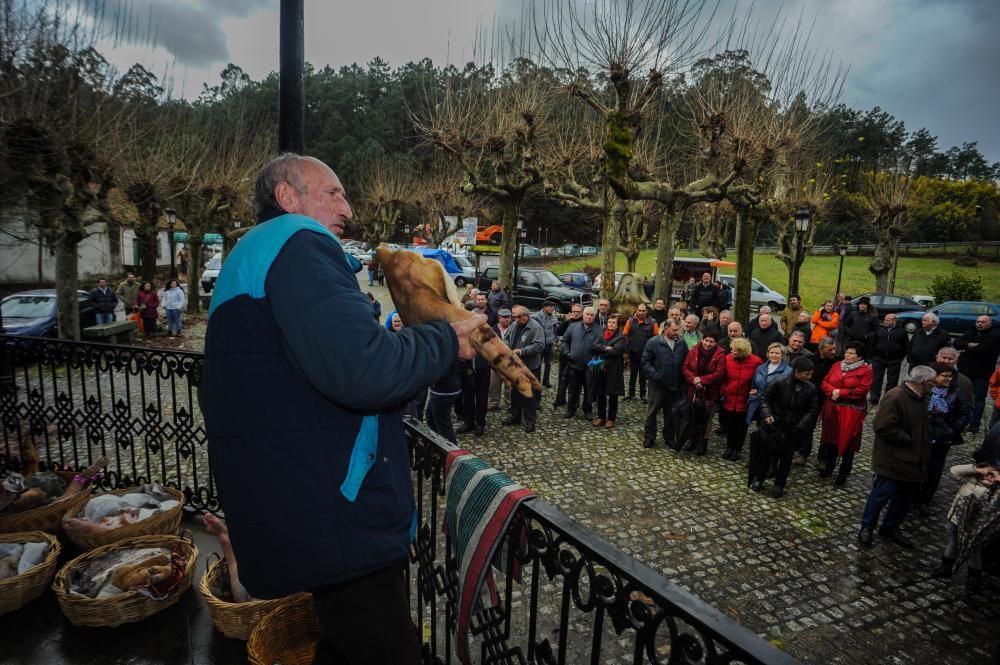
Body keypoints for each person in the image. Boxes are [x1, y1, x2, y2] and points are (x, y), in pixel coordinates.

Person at [201, 154, 483, 665]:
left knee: (343, 642)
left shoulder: (258, 252)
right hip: (334, 508)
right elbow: (361, 373)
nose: (347, 209)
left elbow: (318, 360)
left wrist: (397, 342)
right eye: (332, 193)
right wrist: (444, 340)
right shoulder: (296, 241)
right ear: (288, 197)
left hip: (301, 492)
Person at [858, 366, 936, 548]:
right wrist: (909, 439)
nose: (935, 386)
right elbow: (882, 427)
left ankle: (890, 528)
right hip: (892, 460)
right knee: (880, 496)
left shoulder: (922, 398)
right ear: (924, 383)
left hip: (913, 461)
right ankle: (867, 528)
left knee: (904, 499)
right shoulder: (895, 397)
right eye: (932, 383)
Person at [755, 357, 819, 498]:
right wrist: (767, 414)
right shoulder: (780, 381)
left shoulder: (811, 388)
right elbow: (765, 399)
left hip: (793, 429)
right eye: (806, 374)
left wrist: (800, 426)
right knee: (765, 455)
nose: (810, 377)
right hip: (774, 426)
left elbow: (812, 410)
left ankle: (779, 485)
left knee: (786, 459)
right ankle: (759, 479)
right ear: (797, 372)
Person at [930, 462, 999, 592]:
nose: (989, 477)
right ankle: (945, 568)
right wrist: (976, 469)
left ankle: (974, 579)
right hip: (956, 521)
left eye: (992, 475)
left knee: (973, 552)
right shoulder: (970, 480)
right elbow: (954, 470)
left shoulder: (996, 491)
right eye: (987, 474)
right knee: (953, 543)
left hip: (976, 529)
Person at [913, 363, 971, 514]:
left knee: (934, 470)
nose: (948, 379)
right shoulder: (925, 390)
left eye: (950, 376)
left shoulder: (956, 391)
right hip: (922, 435)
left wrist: (953, 430)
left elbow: (964, 412)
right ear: (934, 376)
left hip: (942, 438)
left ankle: (924, 500)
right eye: (944, 376)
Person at [818, 342, 874, 486]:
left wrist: (840, 392)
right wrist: (832, 391)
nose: (847, 355)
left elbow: (862, 390)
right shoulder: (837, 365)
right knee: (830, 439)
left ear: (859, 356)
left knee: (848, 440)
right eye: (847, 352)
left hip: (850, 410)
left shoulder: (866, 370)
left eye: (851, 353)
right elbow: (825, 382)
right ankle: (828, 466)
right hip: (832, 408)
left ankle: (844, 471)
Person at [641, 319, 688, 449]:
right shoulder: (653, 342)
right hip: (657, 386)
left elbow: (685, 362)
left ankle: (668, 437)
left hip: (674, 386)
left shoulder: (681, 343)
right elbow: (645, 362)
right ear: (665, 328)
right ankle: (649, 437)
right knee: (652, 413)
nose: (677, 332)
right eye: (674, 330)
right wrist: (656, 377)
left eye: (678, 330)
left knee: (670, 414)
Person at [794, 336, 839, 466]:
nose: (833, 352)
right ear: (820, 349)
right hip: (812, 400)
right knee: (807, 427)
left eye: (834, 349)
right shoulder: (810, 361)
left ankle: (823, 457)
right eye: (830, 349)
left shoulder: (837, 363)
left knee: (828, 429)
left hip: (830, 400)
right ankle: (803, 453)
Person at [681, 332, 726, 454]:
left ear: (716, 343)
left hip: (710, 392)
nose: (708, 344)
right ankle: (692, 440)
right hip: (693, 389)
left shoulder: (720, 354)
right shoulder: (694, 350)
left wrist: (702, 380)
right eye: (706, 340)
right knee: (693, 415)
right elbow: (685, 367)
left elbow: (719, 373)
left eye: (711, 341)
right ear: (702, 340)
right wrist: (694, 379)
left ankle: (703, 442)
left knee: (707, 418)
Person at [954, 315, 1000, 435]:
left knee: (978, 400)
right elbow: (956, 343)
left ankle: (974, 424)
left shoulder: (995, 335)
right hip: (964, 371)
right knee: (960, 397)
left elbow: (984, 350)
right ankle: (960, 420)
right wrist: (970, 345)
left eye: (983, 322)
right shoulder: (971, 331)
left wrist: (966, 347)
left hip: (981, 374)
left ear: (989, 323)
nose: (979, 324)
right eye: (978, 321)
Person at [503, 306, 544, 433]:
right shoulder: (514, 325)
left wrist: (521, 351)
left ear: (526, 316)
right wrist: (506, 346)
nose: (515, 319)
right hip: (515, 366)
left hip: (530, 367)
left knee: (528, 395)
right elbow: (507, 337)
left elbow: (539, 345)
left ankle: (530, 421)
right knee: (515, 393)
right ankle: (515, 417)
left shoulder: (536, 327)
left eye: (518, 317)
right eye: (514, 317)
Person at [719, 338, 762, 459]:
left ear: (743, 351)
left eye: (736, 350)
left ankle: (737, 449)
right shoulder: (728, 358)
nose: (733, 351)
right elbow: (723, 377)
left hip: (745, 399)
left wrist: (754, 392)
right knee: (730, 425)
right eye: (732, 349)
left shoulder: (756, 361)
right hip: (730, 397)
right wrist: (724, 391)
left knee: (742, 426)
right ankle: (729, 447)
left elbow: (758, 380)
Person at [562, 306, 603, 420]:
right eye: (587, 314)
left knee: (589, 390)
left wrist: (597, 360)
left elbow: (602, 347)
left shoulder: (599, 330)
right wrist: (567, 353)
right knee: (573, 389)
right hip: (574, 365)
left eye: (591, 315)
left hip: (590, 367)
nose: (589, 317)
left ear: (594, 317)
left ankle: (587, 410)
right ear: (583, 315)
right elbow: (565, 341)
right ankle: (571, 409)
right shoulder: (573, 327)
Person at [590, 313, 626, 428]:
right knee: (600, 393)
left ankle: (611, 418)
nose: (611, 324)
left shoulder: (621, 337)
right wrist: (606, 347)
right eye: (609, 322)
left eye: (613, 322)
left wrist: (602, 349)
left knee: (612, 395)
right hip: (601, 368)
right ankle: (601, 416)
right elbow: (593, 346)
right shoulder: (601, 334)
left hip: (614, 370)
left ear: (617, 325)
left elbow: (616, 351)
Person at [747, 342, 792, 425]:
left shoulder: (788, 371)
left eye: (777, 353)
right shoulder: (760, 368)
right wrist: (754, 391)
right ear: (768, 354)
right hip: (758, 404)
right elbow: (754, 385)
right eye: (771, 352)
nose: (774, 355)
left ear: (782, 355)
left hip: (774, 408)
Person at [869, 313, 908, 405]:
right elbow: (872, 343)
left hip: (894, 360)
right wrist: (873, 356)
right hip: (878, 359)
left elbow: (905, 347)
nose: (885, 322)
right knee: (876, 380)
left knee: (892, 381)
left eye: (888, 320)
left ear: (894, 321)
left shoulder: (902, 331)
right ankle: (874, 398)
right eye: (885, 320)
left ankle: (888, 399)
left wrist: (899, 358)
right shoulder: (879, 329)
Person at [623, 303, 659, 402]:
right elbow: (625, 335)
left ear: (646, 311)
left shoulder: (653, 322)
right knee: (633, 374)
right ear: (637, 311)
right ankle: (631, 394)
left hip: (646, 354)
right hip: (633, 352)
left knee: (643, 375)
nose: (641, 312)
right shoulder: (630, 321)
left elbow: (657, 338)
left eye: (643, 311)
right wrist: (626, 351)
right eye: (640, 310)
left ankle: (643, 395)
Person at [553, 304, 583, 408]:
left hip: (577, 356)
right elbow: (558, 331)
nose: (575, 313)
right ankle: (560, 399)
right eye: (574, 311)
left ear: (581, 312)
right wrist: (565, 321)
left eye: (578, 312)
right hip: (565, 356)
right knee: (562, 378)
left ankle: (574, 402)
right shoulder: (568, 322)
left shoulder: (584, 322)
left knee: (576, 382)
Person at [426, 359, 463, 443]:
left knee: (443, 425)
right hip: (442, 388)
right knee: (430, 417)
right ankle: (437, 444)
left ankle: (451, 451)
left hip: (443, 390)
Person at [488, 309, 514, 411]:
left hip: (509, 362)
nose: (507, 319)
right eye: (505, 317)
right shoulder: (492, 329)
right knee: (494, 384)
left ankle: (510, 403)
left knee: (510, 385)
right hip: (495, 362)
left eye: (509, 317)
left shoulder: (514, 328)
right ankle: (494, 403)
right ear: (499, 318)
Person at [532, 299, 559, 388]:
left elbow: (556, 330)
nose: (552, 309)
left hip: (550, 344)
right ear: (544, 307)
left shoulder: (554, 317)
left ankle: (546, 380)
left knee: (548, 364)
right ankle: (537, 380)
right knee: (538, 364)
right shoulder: (536, 317)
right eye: (551, 307)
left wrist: (557, 340)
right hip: (540, 344)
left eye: (553, 307)